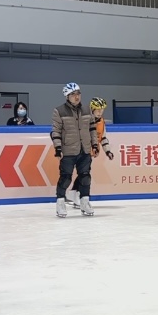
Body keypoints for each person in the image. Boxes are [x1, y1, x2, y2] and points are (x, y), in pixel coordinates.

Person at [51, 83, 99, 217]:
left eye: (78, 94)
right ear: (67, 96)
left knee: (85, 177)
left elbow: (92, 129)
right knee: (65, 178)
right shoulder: (59, 111)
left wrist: (94, 145)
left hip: (85, 149)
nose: (76, 97)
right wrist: (58, 148)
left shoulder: (87, 109)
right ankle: (60, 202)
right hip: (68, 150)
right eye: (73, 94)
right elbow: (56, 131)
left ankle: (85, 201)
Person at [89, 97, 116, 163]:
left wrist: (108, 151)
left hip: (92, 153)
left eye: (102, 110)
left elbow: (103, 138)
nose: (100, 112)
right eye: (98, 110)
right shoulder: (85, 121)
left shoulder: (101, 122)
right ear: (92, 109)